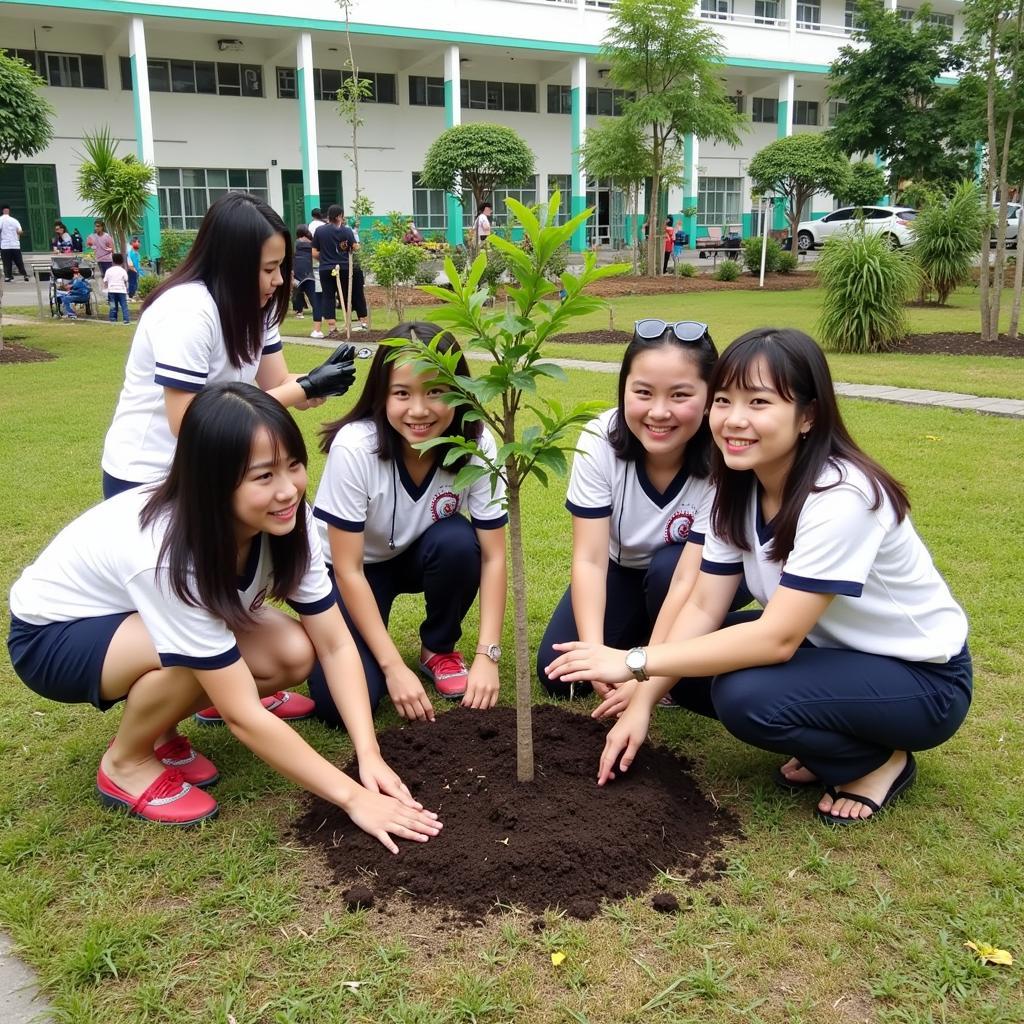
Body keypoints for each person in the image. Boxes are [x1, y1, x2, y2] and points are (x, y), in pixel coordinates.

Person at [546, 328, 972, 828]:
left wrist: (635, 660)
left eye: (760, 402)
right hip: (834, 653)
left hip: (924, 679)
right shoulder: (740, 486)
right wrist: (643, 700)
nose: (735, 419)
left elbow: (777, 639)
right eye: (724, 400)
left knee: (745, 697)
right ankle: (836, 738)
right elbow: (704, 607)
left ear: (808, 415)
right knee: (684, 677)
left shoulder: (841, 497)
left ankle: (877, 763)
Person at [8, 383, 443, 847]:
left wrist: (368, 753)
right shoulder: (168, 552)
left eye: (293, 465)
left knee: (294, 653)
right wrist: (355, 797)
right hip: (54, 638)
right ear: (213, 481)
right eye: (263, 476)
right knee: (200, 664)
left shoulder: (290, 523)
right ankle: (126, 762)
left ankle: (168, 719)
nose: (287, 490)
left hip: (136, 619)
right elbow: (243, 716)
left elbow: (334, 643)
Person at [100, 191, 356, 502]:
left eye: (280, 268)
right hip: (149, 476)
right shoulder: (188, 311)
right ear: (231, 264)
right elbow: (187, 423)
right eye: (268, 269)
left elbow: (276, 383)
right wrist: (302, 389)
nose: (278, 281)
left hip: (215, 467)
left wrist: (318, 383)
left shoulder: (257, 308)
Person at [311, 323, 508, 725]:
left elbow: (493, 556)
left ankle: (438, 648)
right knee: (343, 705)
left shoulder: (477, 445)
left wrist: (488, 655)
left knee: (458, 541)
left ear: (459, 389)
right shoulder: (356, 447)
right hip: (351, 570)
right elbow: (347, 569)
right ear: (381, 395)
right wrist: (390, 667)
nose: (419, 410)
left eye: (436, 391)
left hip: (419, 553)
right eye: (402, 393)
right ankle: (318, 638)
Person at [536, 320, 739, 703]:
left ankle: (665, 650)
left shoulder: (724, 459)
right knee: (560, 675)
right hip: (622, 569)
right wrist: (593, 655)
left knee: (666, 570)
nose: (659, 412)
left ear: (710, 397)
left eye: (680, 395)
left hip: (697, 578)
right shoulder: (600, 440)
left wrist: (645, 670)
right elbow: (591, 559)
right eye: (643, 392)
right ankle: (644, 640)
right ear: (624, 389)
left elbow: (684, 581)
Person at [310, 204, 368, 340]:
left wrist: (324, 259)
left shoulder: (320, 231)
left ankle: (332, 327)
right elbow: (355, 247)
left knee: (328, 296)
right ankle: (360, 322)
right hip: (344, 268)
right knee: (350, 294)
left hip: (326, 268)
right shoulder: (347, 231)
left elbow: (314, 252)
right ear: (339, 216)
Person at [291, 225, 317, 320]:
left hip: (298, 268)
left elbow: (293, 255)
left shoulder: (297, 242)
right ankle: (317, 310)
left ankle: (299, 311)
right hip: (308, 268)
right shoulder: (311, 242)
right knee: (311, 290)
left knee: (297, 290)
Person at [0, 204, 29, 282]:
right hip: (15, 245)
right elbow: (20, 231)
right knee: (19, 261)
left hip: (5, 245)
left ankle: (8, 276)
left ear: (3, 211)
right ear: (8, 211)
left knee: (6, 262)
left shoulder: (1, 219)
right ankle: (25, 275)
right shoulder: (15, 220)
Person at [104, 252, 131, 324]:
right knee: (124, 305)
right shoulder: (123, 271)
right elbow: (126, 280)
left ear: (113, 261)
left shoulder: (108, 270)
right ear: (122, 261)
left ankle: (113, 319)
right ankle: (126, 319)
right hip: (121, 290)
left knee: (113, 305)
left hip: (112, 290)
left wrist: (107, 288)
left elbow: (105, 281)